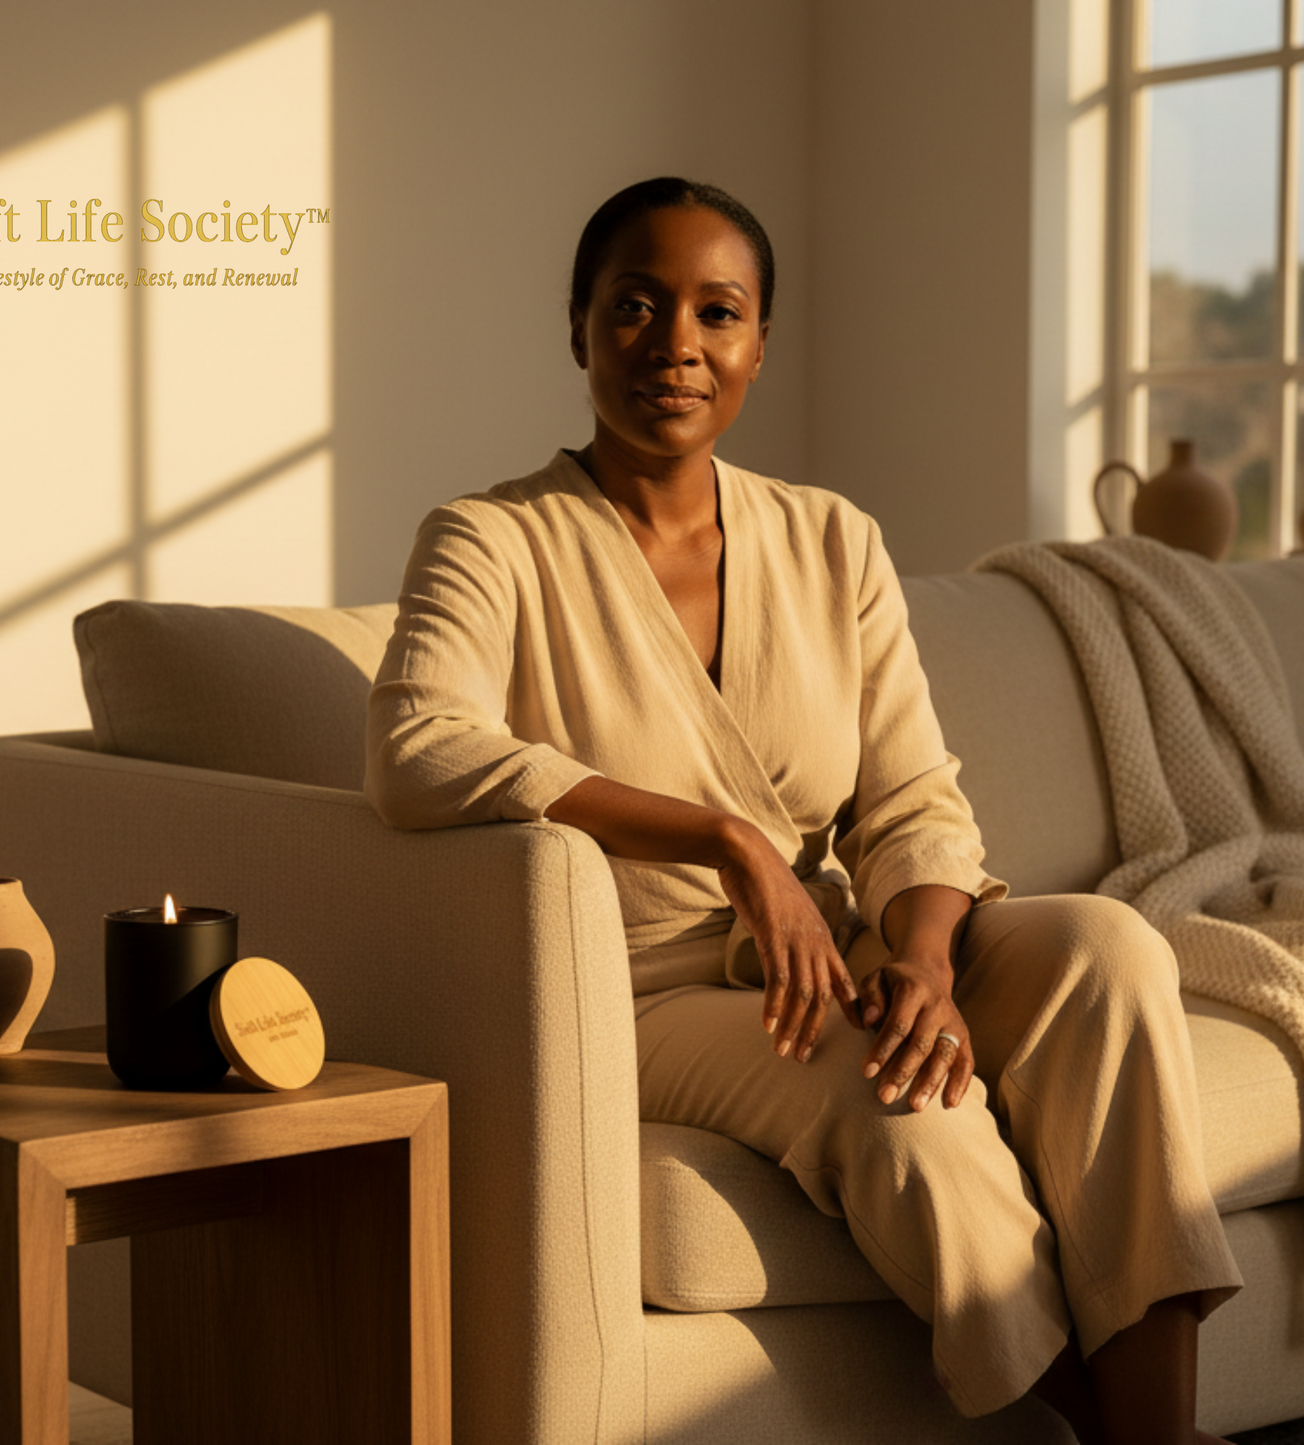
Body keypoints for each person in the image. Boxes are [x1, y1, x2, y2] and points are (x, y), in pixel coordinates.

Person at [365, 176, 1242, 1444]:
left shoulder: (832, 539)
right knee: (905, 1102)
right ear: (577, 328)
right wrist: (724, 843)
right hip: (641, 988)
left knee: (1109, 951)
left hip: (850, 942)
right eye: (634, 306)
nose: (675, 343)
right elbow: (416, 748)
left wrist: (929, 962)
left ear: (759, 345)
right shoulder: (490, 539)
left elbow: (914, 798)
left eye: (715, 313)